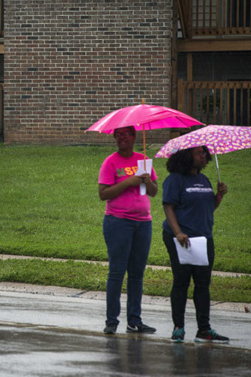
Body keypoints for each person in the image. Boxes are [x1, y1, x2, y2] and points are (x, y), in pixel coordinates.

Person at [162, 146, 229, 343]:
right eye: (199, 153)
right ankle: (178, 328)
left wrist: (219, 196)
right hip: (180, 238)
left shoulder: (204, 180)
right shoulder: (174, 179)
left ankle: (204, 329)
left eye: (204, 153)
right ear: (186, 156)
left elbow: (209, 207)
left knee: (203, 283)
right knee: (181, 281)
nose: (204, 156)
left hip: (203, 239)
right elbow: (168, 207)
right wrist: (178, 233)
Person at [98, 126, 158, 335]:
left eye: (126, 134)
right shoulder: (110, 162)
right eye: (118, 135)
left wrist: (147, 180)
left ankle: (134, 321)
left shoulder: (143, 160)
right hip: (118, 222)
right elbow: (103, 194)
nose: (122, 138)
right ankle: (111, 321)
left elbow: (153, 192)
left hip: (143, 223)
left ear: (134, 137)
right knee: (117, 271)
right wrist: (129, 181)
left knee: (137, 273)